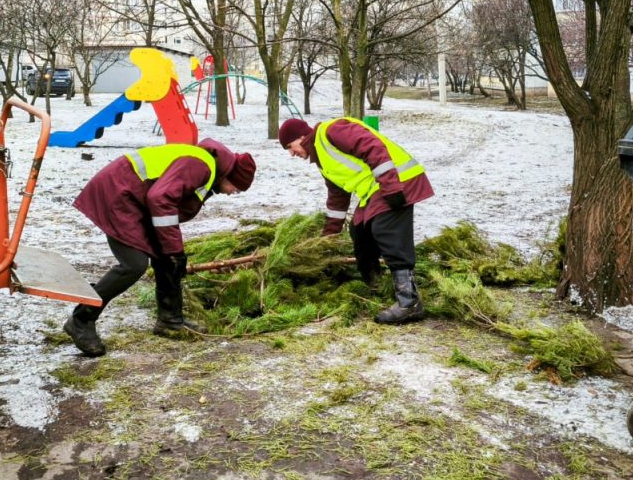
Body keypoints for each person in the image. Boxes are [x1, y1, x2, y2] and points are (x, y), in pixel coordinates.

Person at [64, 139, 257, 357]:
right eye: (236, 188)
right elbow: (160, 198)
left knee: (167, 258)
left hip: (135, 199)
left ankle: (170, 320)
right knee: (134, 265)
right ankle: (81, 319)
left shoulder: (208, 168)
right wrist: (175, 250)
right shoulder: (201, 166)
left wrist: (172, 253)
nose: (233, 193)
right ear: (228, 176)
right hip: (119, 193)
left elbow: (165, 201)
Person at [278, 117, 433, 325]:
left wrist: (391, 186)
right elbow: (337, 198)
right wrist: (327, 238)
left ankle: (409, 302)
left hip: (397, 181)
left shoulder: (332, 131)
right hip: (376, 190)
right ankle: (376, 285)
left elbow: (371, 147)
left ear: (301, 137)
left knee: (385, 229)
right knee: (359, 230)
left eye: (290, 146)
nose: (291, 153)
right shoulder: (322, 159)